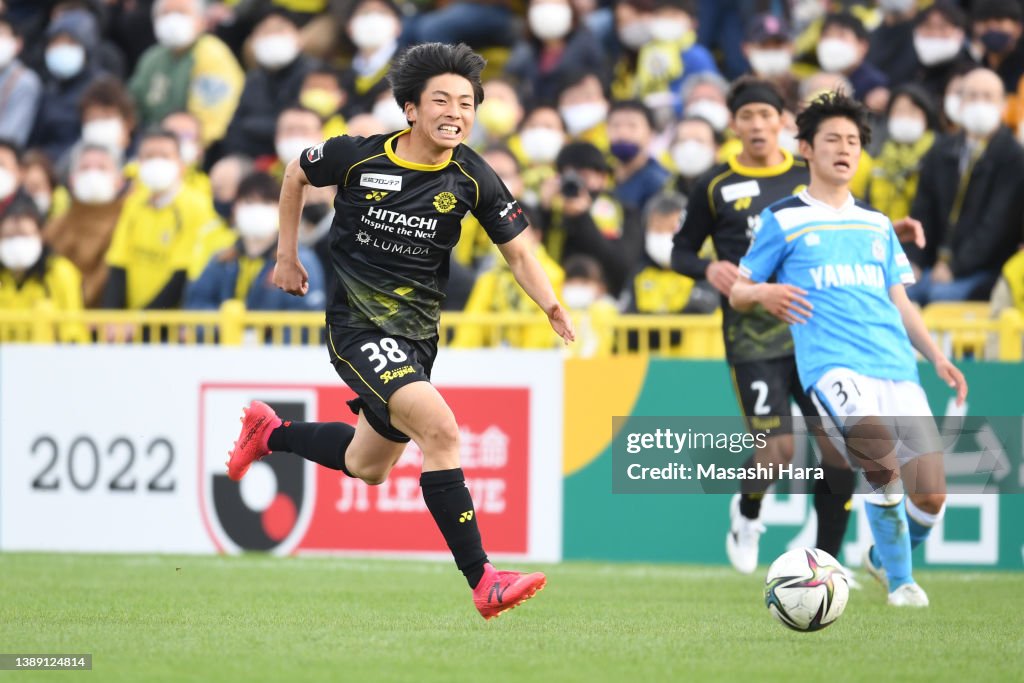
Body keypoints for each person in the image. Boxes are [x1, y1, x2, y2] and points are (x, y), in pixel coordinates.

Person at [225, 43, 574, 620]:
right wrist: (286, 255)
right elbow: (295, 173)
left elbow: (518, 253)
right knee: (441, 430)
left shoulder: (473, 175)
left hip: (416, 338)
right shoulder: (357, 157)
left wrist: (551, 304)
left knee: (368, 465)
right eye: (441, 100)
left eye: (466, 103)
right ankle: (484, 579)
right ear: (410, 109)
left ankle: (270, 433)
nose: (455, 112)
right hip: (357, 328)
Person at [730, 90, 968, 607]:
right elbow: (739, 291)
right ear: (806, 149)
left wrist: (936, 356)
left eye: (854, 141)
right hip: (832, 365)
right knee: (877, 456)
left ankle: (881, 558)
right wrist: (765, 293)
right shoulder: (782, 219)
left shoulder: (877, 224)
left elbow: (900, 300)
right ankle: (902, 583)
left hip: (895, 364)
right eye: (832, 139)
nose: (844, 148)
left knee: (931, 496)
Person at [671, 79, 859, 575]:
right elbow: (680, 251)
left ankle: (826, 564)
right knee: (777, 451)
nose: (757, 124)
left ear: (782, 122)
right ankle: (748, 511)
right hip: (751, 336)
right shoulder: (713, 185)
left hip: (814, 332)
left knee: (839, 449)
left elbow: (848, 223)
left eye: (765, 114)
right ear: (733, 124)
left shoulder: (807, 173)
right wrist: (707, 267)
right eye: (747, 115)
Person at [906, 67, 1024, 304]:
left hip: (985, 270)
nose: (980, 103)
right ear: (959, 103)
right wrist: (914, 260)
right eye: (972, 95)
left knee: (940, 297)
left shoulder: (1014, 158)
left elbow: (996, 226)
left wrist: (955, 268)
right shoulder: (940, 151)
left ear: (1003, 104)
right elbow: (922, 211)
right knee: (898, 294)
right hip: (934, 265)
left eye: (988, 96)